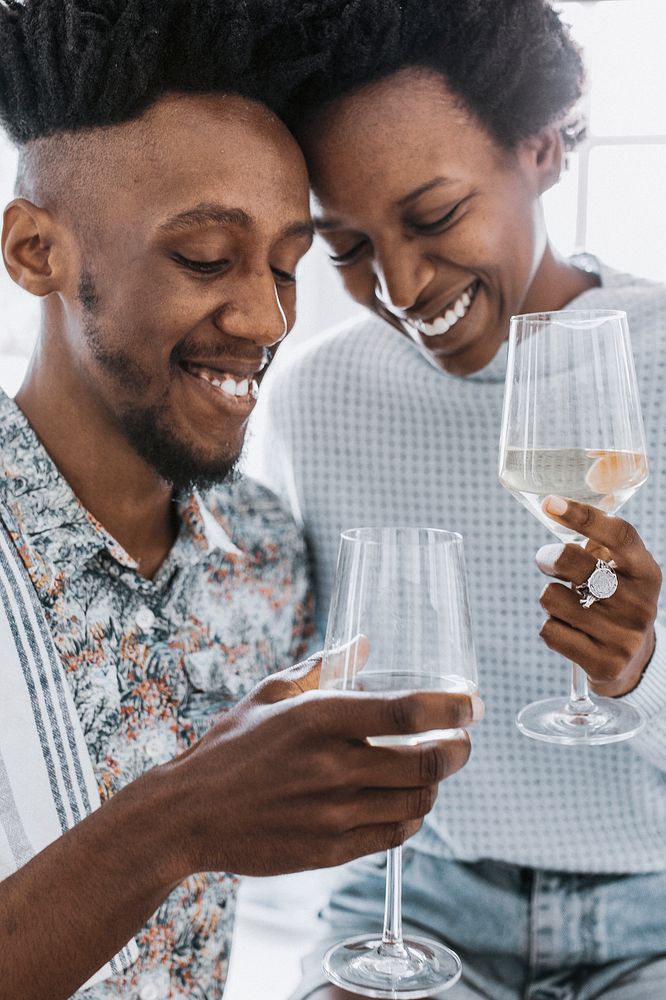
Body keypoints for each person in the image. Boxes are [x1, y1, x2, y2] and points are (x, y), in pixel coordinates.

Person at [0, 2, 483, 998]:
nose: (267, 317)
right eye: (207, 258)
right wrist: (177, 821)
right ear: (36, 250)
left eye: (288, 265)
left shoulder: (267, 556)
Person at [252, 1, 666, 997]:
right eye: (346, 250)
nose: (397, 285)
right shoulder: (321, 399)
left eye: (433, 217)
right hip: (415, 898)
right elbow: (314, 681)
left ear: (542, 147)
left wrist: (644, 670)